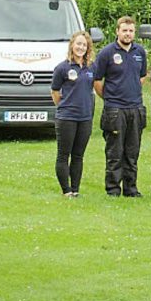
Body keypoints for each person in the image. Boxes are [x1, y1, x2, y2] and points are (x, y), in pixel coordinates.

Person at [93, 16, 149, 197]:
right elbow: (96, 80)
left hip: (135, 108)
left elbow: (141, 77)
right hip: (115, 110)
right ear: (117, 31)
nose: (127, 34)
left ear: (134, 32)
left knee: (132, 152)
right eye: (124, 30)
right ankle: (113, 189)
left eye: (131, 30)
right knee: (115, 152)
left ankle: (131, 188)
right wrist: (109, 97)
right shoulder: (107, 53)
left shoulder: (140, 52)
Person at [50, 30, 96, 197]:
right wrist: (64, 106)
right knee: (64, 155)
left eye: (84, 45)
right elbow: (55, 91)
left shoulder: (91, 67)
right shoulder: (62, 68)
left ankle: (75, 190)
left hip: (85, 118)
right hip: (67, 117)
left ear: (88, 47)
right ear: (72, 45)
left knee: (78, 155)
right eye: (78, 44)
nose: (80, 47)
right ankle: (66, 190)